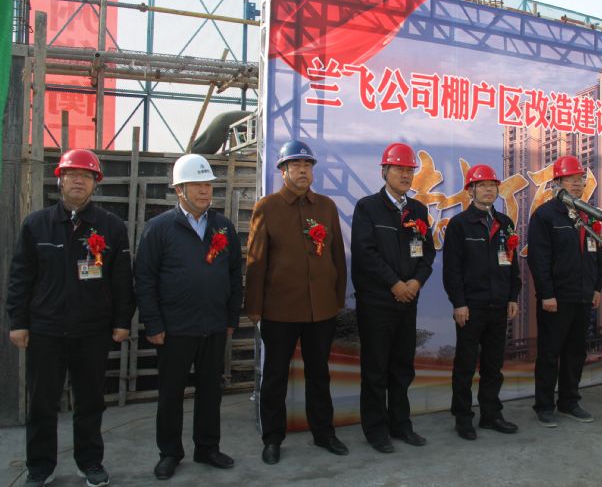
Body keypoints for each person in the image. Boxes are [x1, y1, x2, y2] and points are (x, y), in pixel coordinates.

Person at [5, 148, 135, 487]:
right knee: (42, 403)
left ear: (95, 183)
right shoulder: (36, 225)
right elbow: (20, 277)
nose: (79, 180)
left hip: (92, 331)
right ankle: (40, 467)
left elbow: (122, 279)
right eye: (72, 174)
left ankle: (90, 462)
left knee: (90, 402)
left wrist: (122, 321)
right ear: (60, 180)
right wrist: (18, 322)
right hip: (45, 330)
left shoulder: (111, 227)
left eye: (87, 176)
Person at [135, 154, 242, 480]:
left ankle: (207, 447)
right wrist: (153, 324)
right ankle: (170, 452)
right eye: (197, 185)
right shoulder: (159, 228)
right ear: (179, 189)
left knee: (211, 391)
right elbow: (144, 279)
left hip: (213, 325)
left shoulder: (223, 226)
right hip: (174, 329)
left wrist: (231, 318)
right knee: (171, 394)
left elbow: (234, 274)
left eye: (208, 184)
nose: (205, 191)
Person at [244, 140, 348, 465]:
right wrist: (254, 307)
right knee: (275, 375)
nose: (303, 171)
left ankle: (324, 433)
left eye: (307, 165)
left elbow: (337, 256)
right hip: (280, 309)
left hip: (321, 308)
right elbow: (256, 260)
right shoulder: (267, 207)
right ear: (283, 171)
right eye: (296, 165)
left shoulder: (326, 207)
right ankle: (272, 438)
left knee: (319, 374)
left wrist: (337, 298)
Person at [351, 142, 435, 453]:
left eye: (410, 169)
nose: (405, 174)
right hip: (377, 302)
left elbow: (427, 254)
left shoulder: (419, 210)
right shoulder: (367, 207)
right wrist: (395, 284)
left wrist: (415, 282)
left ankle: (401, 424)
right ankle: (376, 430)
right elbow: (365, 253)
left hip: (408, 301)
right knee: (376, 368)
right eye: (398, 168)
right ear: (384, 171)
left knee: (402, 367)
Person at [442, 164, 521, 440]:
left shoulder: (505, 223)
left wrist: (513, 296)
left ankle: (491, 414)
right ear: (471, 190)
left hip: (499, 307)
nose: (488, 190)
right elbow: (452, 269)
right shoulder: (459, 224)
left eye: (492, 185)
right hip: (471, 308)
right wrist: (459, 303)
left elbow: (512, 264)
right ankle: (463, 417)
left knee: (493, 366)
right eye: (482, 185)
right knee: (465, 366)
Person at [527, 155, 602, 428]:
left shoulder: (588, 215)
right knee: (550, 353)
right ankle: (544, 405)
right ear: (558, 183)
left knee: (576, 352)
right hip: (557, 299)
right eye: (570, 179)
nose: (577, 184)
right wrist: (546, 293)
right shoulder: (545, 215)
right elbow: (538, 259)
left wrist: (597, 287)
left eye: (580, 179)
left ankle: (569, 401)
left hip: (583, 296)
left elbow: (598, 255)